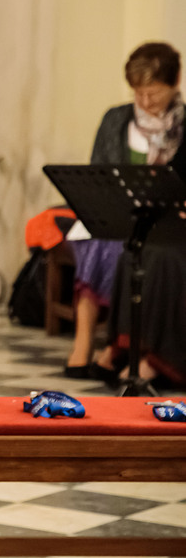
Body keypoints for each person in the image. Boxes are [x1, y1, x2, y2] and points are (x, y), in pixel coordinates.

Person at [63, 42, 184, 384]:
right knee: (100, 238)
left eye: (153, 93)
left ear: (175, 83)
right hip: (117, 208)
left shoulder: (182, 126)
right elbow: (98, 172)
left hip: (161, 218)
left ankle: (126, 349)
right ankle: (86, 343)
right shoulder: (116, 119)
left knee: (141, 250)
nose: (145, 101)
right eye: (138, 93)